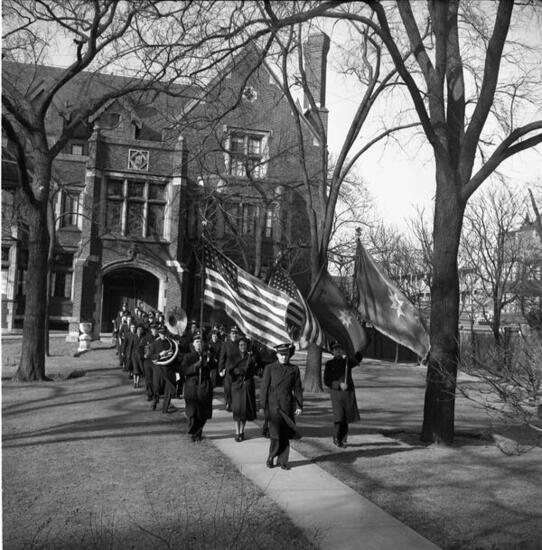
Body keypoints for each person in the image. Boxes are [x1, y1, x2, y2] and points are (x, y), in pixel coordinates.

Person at [260, 343, 303, 470]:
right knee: (275, 434)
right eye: (281, 354)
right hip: (273, 405)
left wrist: (299, 405)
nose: (284, 357)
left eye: (286, 354)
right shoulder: (270, 368)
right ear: (277, 355)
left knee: (285, 434)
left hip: (287, 405)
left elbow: (297, 389)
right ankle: (271, 456)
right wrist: (263, 405)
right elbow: (264, 388)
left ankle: (283, 461)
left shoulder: (294, 369)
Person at [323, 341, 361, 448]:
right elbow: (327, 380)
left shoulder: (347, 361)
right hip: (337, 394)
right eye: (335, 349)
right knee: (339, 417)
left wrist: (358, 348)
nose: (338, 350)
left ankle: (343, 439)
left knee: (346, 417)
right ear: (332, 351)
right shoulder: (329, 364)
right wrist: (338, 385)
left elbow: (358, 358)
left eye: (339, 348)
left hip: (347, 394)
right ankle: (336, 437)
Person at [181, 332, 213, 442]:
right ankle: (192, 433)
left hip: (204, 386)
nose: (199, 343)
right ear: (193, 344)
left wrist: (209, 360)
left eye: (201, 341)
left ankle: (199, 433)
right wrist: (195, 366)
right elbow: (184, 370)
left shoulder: (207, 355)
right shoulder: (188, 356)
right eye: (197, 341)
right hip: (192, 386)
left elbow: (213, 367)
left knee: (203, 412)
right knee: (193, 412)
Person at [227, 336, 258, 441]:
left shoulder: (250, 356)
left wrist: (252, 360)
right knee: (237, 410)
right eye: (240, 345)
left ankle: (242, 431)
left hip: (247, 385)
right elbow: (230, 370)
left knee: (245, 410)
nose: (242, 347)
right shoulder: (233, 356)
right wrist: (239, 371)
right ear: (238, 346)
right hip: (237, 385)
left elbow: (254, 370)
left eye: (244, 345)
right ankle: (237, 432)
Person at [218, 325, 241, 412]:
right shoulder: (226, 344)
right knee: (227, 388)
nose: (234, 335)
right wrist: (221, 369)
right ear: (230, 334)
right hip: (228, 370)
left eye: (235, 333)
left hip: (238, 369)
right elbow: (222, 357)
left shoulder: (240, 344)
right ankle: (228, 402)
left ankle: (235, 403)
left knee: (237, 388)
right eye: (233, 333)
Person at [142, 323, 159, 401]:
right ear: (151, 330)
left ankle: (156, 394)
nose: (155, 330)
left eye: (156, 329)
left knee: (156, 379)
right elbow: (140, 348)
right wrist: (143, 355)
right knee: (148, 379)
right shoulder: (146, 338)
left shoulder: (159, 338)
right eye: (153, 329)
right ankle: (150, 394)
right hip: (148, 361)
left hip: (157, 361)